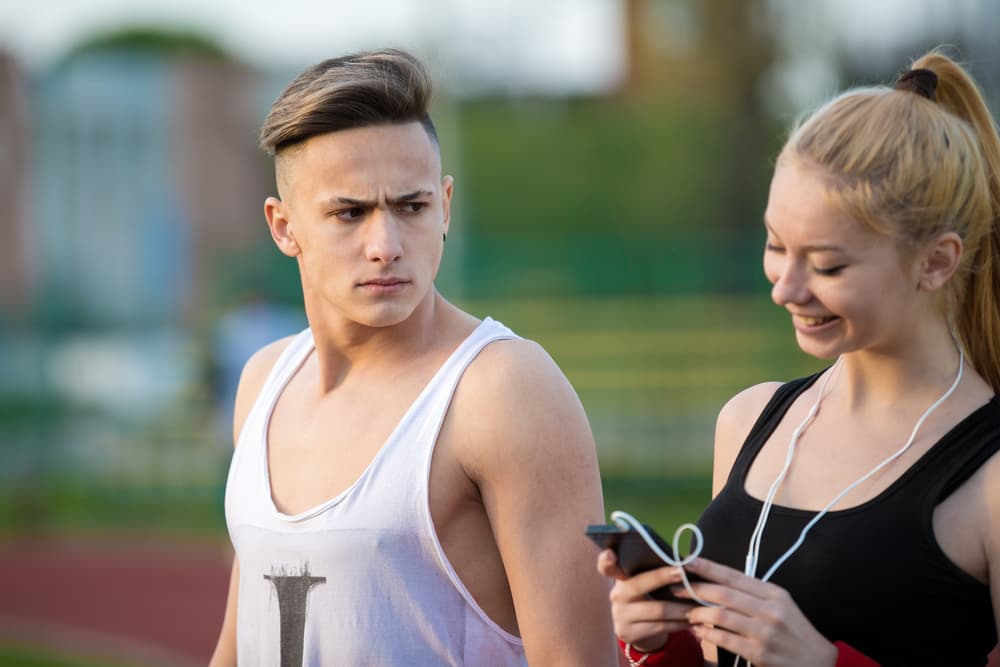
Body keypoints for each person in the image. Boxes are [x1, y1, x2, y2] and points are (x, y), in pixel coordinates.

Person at [208, 48, 615, 666]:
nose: (386, 245)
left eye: (411, 206)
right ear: (284, 227)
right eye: (350, 212)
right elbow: (239, 647)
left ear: (445, 206)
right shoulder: (264, 380)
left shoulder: (503, 390)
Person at [598, 48, 1000, 667]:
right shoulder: (749, 421)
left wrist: (825, 663)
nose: (785, 287)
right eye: (776, 245)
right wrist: (655, 640)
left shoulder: (990, 479)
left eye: (829, 264)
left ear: (937, 261)